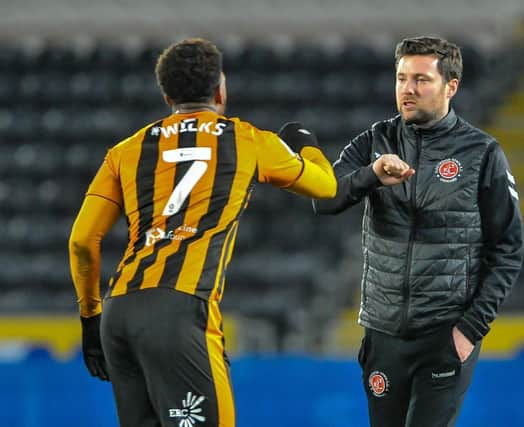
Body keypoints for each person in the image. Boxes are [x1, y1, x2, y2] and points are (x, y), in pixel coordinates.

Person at [68, 37, 336, 427]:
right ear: (219, 90)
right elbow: (326, 188)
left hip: (119, 311)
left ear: (166, 95)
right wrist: (305, 144)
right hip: (179, 310)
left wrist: (90, 318)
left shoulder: (126, 150)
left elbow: (81, 240)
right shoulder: (248, 139)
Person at [313, 36, 524, 426]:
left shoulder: (482, 153)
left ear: (451, 86)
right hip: (383, 334)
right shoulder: (375, 141)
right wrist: (370, 176)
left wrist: (468, 331)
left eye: (421, 79)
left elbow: (509, 251)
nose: (407, 89)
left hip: (444, 335)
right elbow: (324, 199)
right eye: (401, 78)